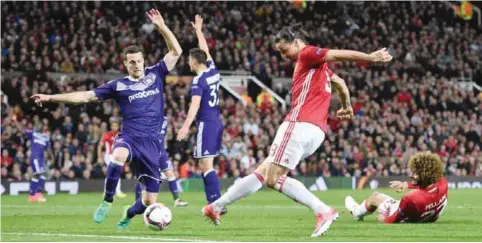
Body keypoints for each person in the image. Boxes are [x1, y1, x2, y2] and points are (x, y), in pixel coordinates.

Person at [201, 23, 392, 237]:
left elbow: (337, 54)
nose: (283, 56)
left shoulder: (307, 54)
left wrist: (370, 57)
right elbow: (341, 83)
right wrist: (346, 105)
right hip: (316, 131)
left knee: (273, 178)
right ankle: (216, 207)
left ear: (295, 42)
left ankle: (322, 210)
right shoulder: (319, 67)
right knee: (264, 172)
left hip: (299, 124)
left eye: (284, 50)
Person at [30, 9, 182, 228]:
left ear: (143, 61)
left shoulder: (156, 73)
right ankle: (107, 200)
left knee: (148, 202)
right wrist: (51, 97)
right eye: (131, 62)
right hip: (130, 137)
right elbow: (84, 97)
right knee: (117, 155)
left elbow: (176, 51)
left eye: (139, 61)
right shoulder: (118, 85)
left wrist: (163, 27)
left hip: (152, 144)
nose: (136, 65)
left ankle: (128, 215)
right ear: (125, 64)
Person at [176, 15, 226, 214]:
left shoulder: (199, 81)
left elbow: (194, 106)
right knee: (207, 163)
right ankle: (215, 203)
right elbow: (205, 51)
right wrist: (198, 31)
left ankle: (215, 204)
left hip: (206, 123)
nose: (188, 62)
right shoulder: (213, 71)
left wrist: (185, 126)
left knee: (205, 164)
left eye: (189, 59)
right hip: (217, 121)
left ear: (195, 62)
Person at [345, 151, 448, 223]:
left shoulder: (410, 199)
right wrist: (406, 184)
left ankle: (356, 213)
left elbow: (394, 219)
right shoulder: (443, 183)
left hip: (405, 216)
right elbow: (426, 188)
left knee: (374, 197)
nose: (410, 175)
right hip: (427, 216)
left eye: (415, 173)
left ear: (425, 175)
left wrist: (384, 219)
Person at [135, 116, 188, 207]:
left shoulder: (165, 119)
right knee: (144, 177)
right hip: (149, 151)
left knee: (170, 174)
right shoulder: (147, 117)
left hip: (161, 152)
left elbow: (166, 135)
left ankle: (177, 200)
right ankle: (137, 202)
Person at [97, 121, 126, 198]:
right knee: (112, 173)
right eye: (113, 126)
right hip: (109, 156)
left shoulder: (120, 135)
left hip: (117, 156)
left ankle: (115, 191)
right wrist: (99, 157)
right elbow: (100, 146)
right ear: (111, 127)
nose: (114, 127)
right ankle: (108, 192)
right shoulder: (107, 135)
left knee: (116, 173)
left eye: (116, 126)